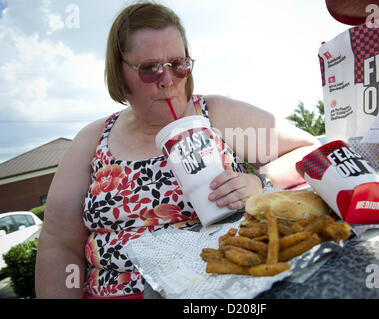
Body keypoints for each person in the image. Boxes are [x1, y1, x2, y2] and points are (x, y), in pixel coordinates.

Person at [35, 2, 321, 299]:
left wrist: (260, 182)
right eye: (149, 69)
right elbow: (58, 244)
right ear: (119, 73)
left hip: (224, 289)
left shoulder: (216, 115)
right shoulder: (93, 140)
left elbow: (311, 149)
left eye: (179, 63)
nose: (168, 80)